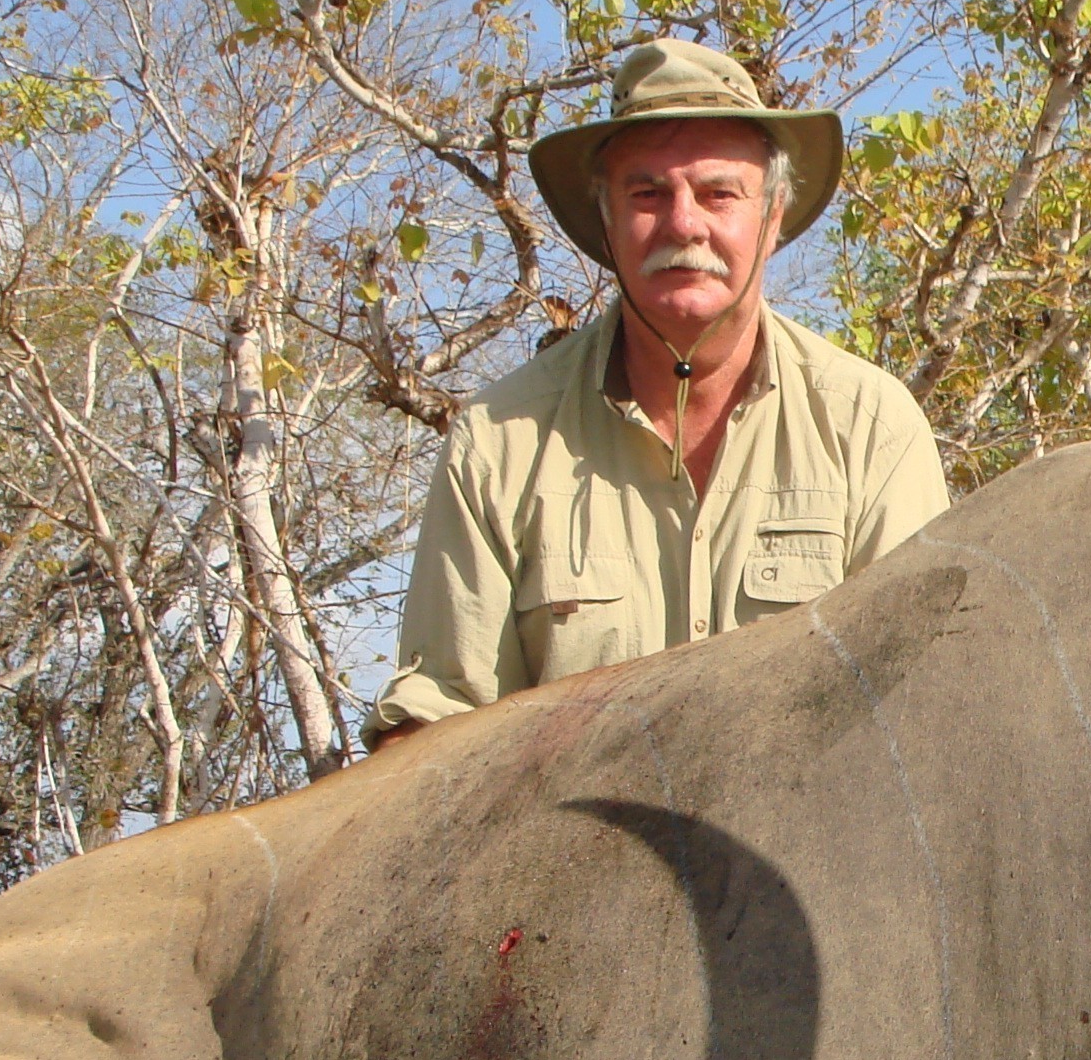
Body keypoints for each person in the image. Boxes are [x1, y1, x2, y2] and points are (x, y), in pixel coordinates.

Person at [366, 39, 952, 743]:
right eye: (647, 195)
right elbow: (438, 724)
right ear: (608, 224)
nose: (682, 224)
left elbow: (922, 708)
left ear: (771, 220)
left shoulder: (870, 426)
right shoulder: (500, 437)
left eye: (718, 194)